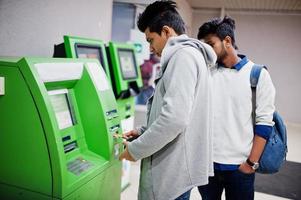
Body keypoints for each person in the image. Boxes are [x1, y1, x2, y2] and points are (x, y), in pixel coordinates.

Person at [119, 1, 216, 199]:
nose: (150, 48)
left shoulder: (182, 57)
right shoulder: (191, 55)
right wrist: (143, 132)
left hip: (171, 173)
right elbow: (177, 113)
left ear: (166, 31)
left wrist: (135, 150)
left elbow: (174, 120)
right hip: (178, 167)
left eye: (150, 40)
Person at [197, 16, 276, 200]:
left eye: (211, 44)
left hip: (240, 169)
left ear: (227, 41)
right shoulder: (207, 73)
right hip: (207, 168)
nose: (207, 51)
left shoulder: (257, 75)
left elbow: (264, 124)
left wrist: (250, 164)